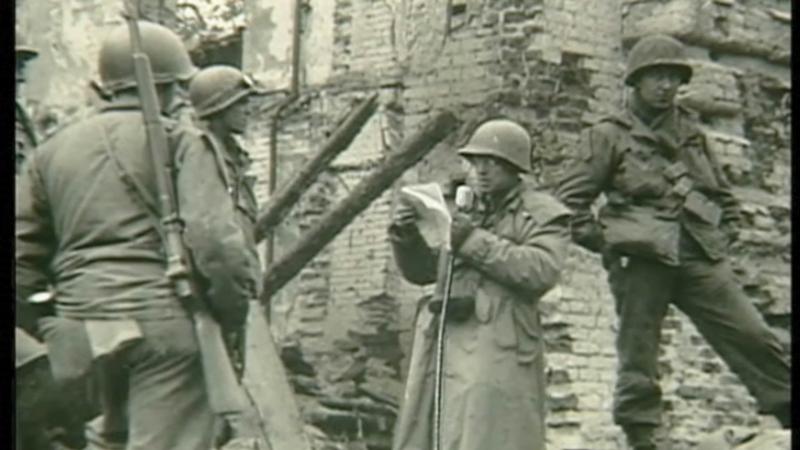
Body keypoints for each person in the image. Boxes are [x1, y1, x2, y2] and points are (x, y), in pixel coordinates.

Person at [16, 20, 257, 450]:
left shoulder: (48, 153)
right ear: (172, 87)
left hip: (80, 332)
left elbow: (21, 259)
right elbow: (216, 246)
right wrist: (231, 315)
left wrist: (52, 324)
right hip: (165, 326)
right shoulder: (183, 141)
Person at [555, 34, 791, 449]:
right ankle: (641, 432)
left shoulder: (690, 131)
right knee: (639, 350)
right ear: (636, 81)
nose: (666, 85)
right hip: (641, 258)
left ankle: (786, 404)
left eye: (673, 77)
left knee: (751, 332)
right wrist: (608, 244)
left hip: (697, 253)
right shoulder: (608, 135)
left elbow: (720, 193)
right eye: (657, 76)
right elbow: (569, 204)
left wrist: (726, 232)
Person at [390, 119, 572, 450]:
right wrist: (407, 237)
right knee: (431, 432)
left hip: (498, 341)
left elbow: (539, 271)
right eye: (476, 162)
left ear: (515, 167)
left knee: (487, 436)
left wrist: (472, 240)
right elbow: (427, 272)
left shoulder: (541, 214)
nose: (482, 171)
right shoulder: (465, 208)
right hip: (446, 338)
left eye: (494, 163)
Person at [188, 64, 266, 445]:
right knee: (207, 407)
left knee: (223, 406)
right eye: (241, 103)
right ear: (218, 109)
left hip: (230, 296)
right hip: (215, 301)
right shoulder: (203, 155)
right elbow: (213, 238)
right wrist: (231, 303)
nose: (248, 110)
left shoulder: (232, 157)